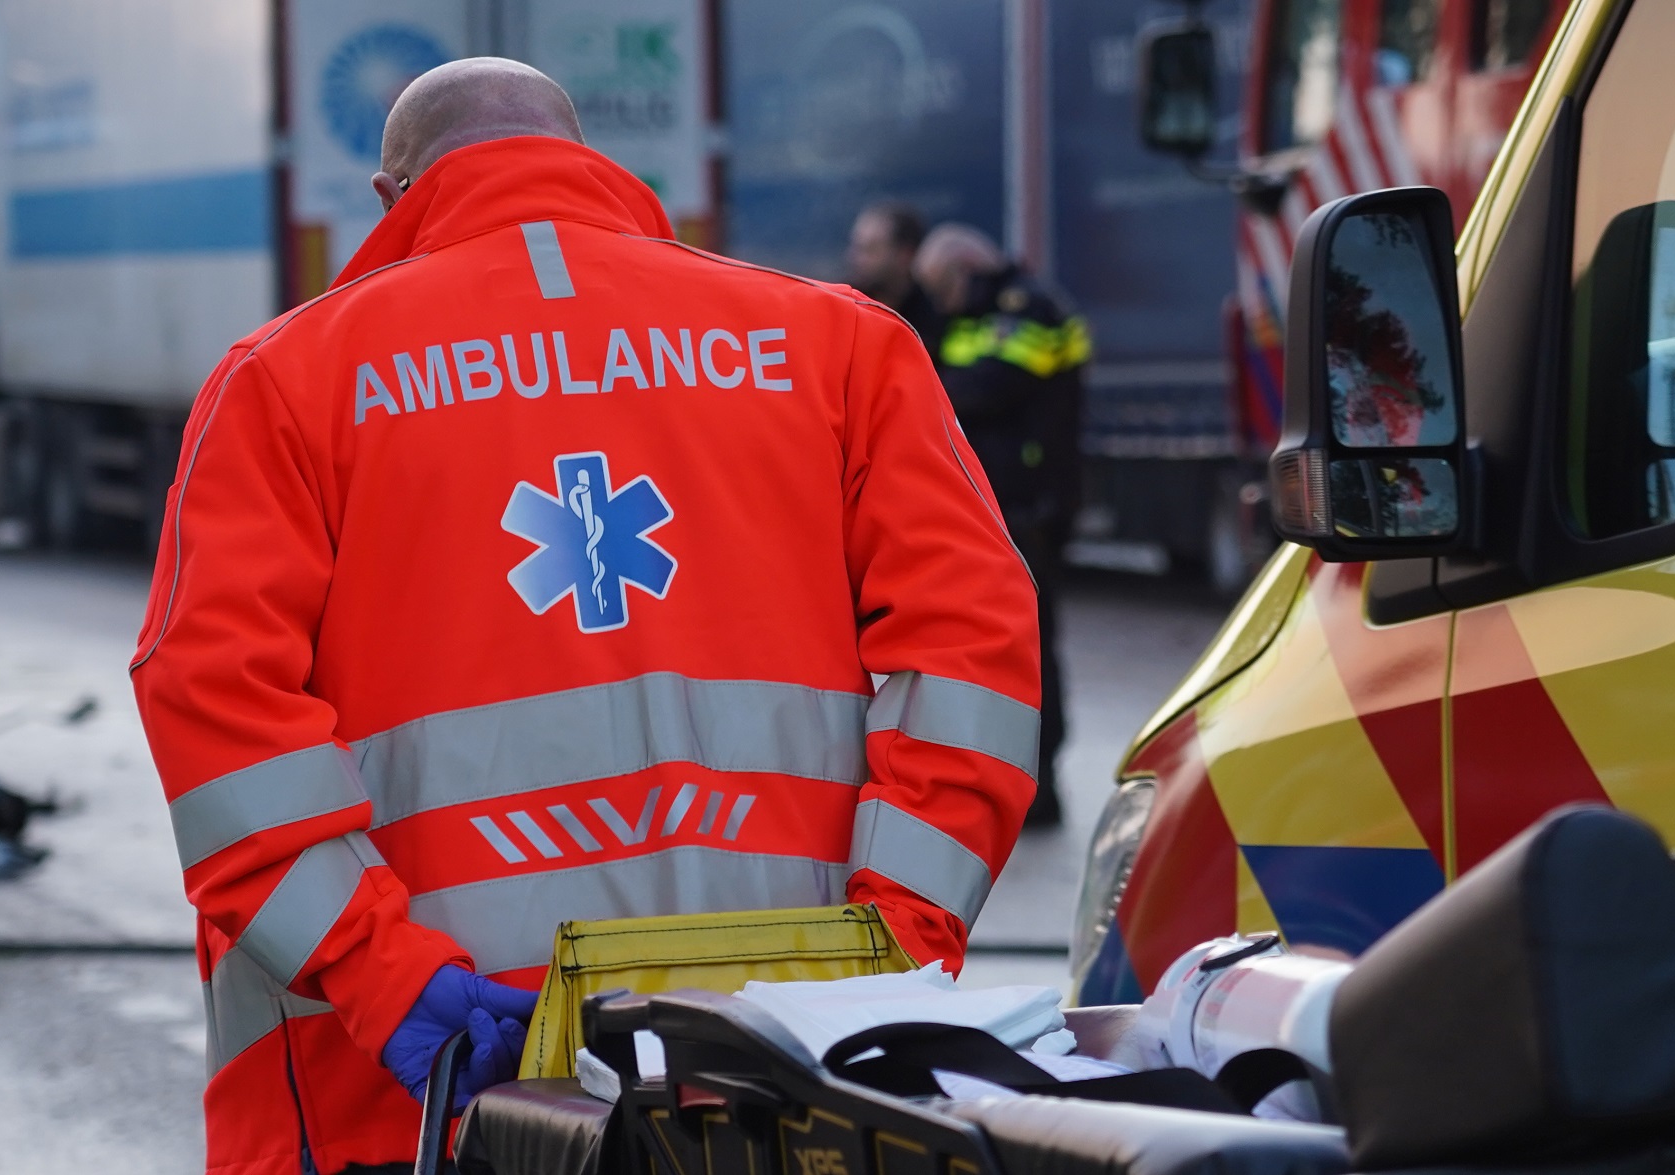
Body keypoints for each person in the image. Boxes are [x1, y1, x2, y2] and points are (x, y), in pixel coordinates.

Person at [131, 59, 1039, 1175]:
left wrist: (383, 973)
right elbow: (975, 655)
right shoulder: (839, 347)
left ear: (391, 194)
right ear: (594, 166)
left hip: (428, 1084)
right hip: (773, 1077)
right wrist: (899, 939)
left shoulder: (287, 382)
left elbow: (212, 709)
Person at [914, 224, 1088, 829]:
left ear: (966, 271)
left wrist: (920, 389)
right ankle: (1007, 781)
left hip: (1031, 512)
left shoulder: (1029, 310)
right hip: (999, 512)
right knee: (995, 649)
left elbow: (986, 389)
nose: (942, 303)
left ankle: (1041, 789)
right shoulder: (972, 316)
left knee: (1032, 651)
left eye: (942, 288)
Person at [846, 201, 945, 353]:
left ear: (906, 254)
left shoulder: (937, 315)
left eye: (871, 250)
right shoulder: (845, 308)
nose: (857, 259)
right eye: (857, 248)